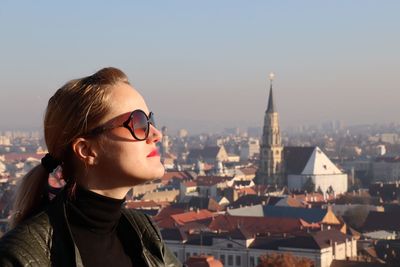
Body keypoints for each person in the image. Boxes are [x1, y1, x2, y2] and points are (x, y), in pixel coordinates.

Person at [0, 67, 182, 267]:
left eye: (150, 120)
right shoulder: (20, 256)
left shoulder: (144, 232)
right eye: (138, 122)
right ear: (86, 150)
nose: (156, 134)